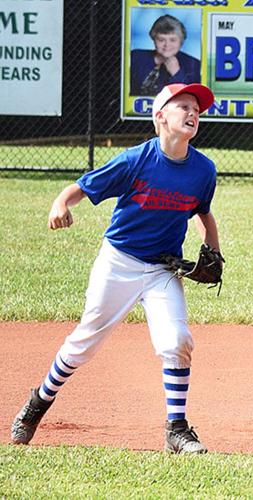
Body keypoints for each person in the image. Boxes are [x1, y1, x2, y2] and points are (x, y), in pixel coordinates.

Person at [10, 83, 221, 454]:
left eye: (197, 110)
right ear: (160, 117)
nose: (193, 113)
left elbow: (203, 212)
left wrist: (212, 247)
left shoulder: (203, 169)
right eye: (184, 106)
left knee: (177, 342)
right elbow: (83, 186)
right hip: (119, 262)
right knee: (83, 344)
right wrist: (61, 203)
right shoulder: (136, 160)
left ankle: (176, 428)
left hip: (162, 269)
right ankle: (39, 401)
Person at [131, 14, 201, 96]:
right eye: (161, 40)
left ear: (181, 41)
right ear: (154, 39)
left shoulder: (194, 64)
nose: (167, 45)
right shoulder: (136, 56)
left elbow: (192, 98)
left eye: (173, 40)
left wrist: (177, 74)